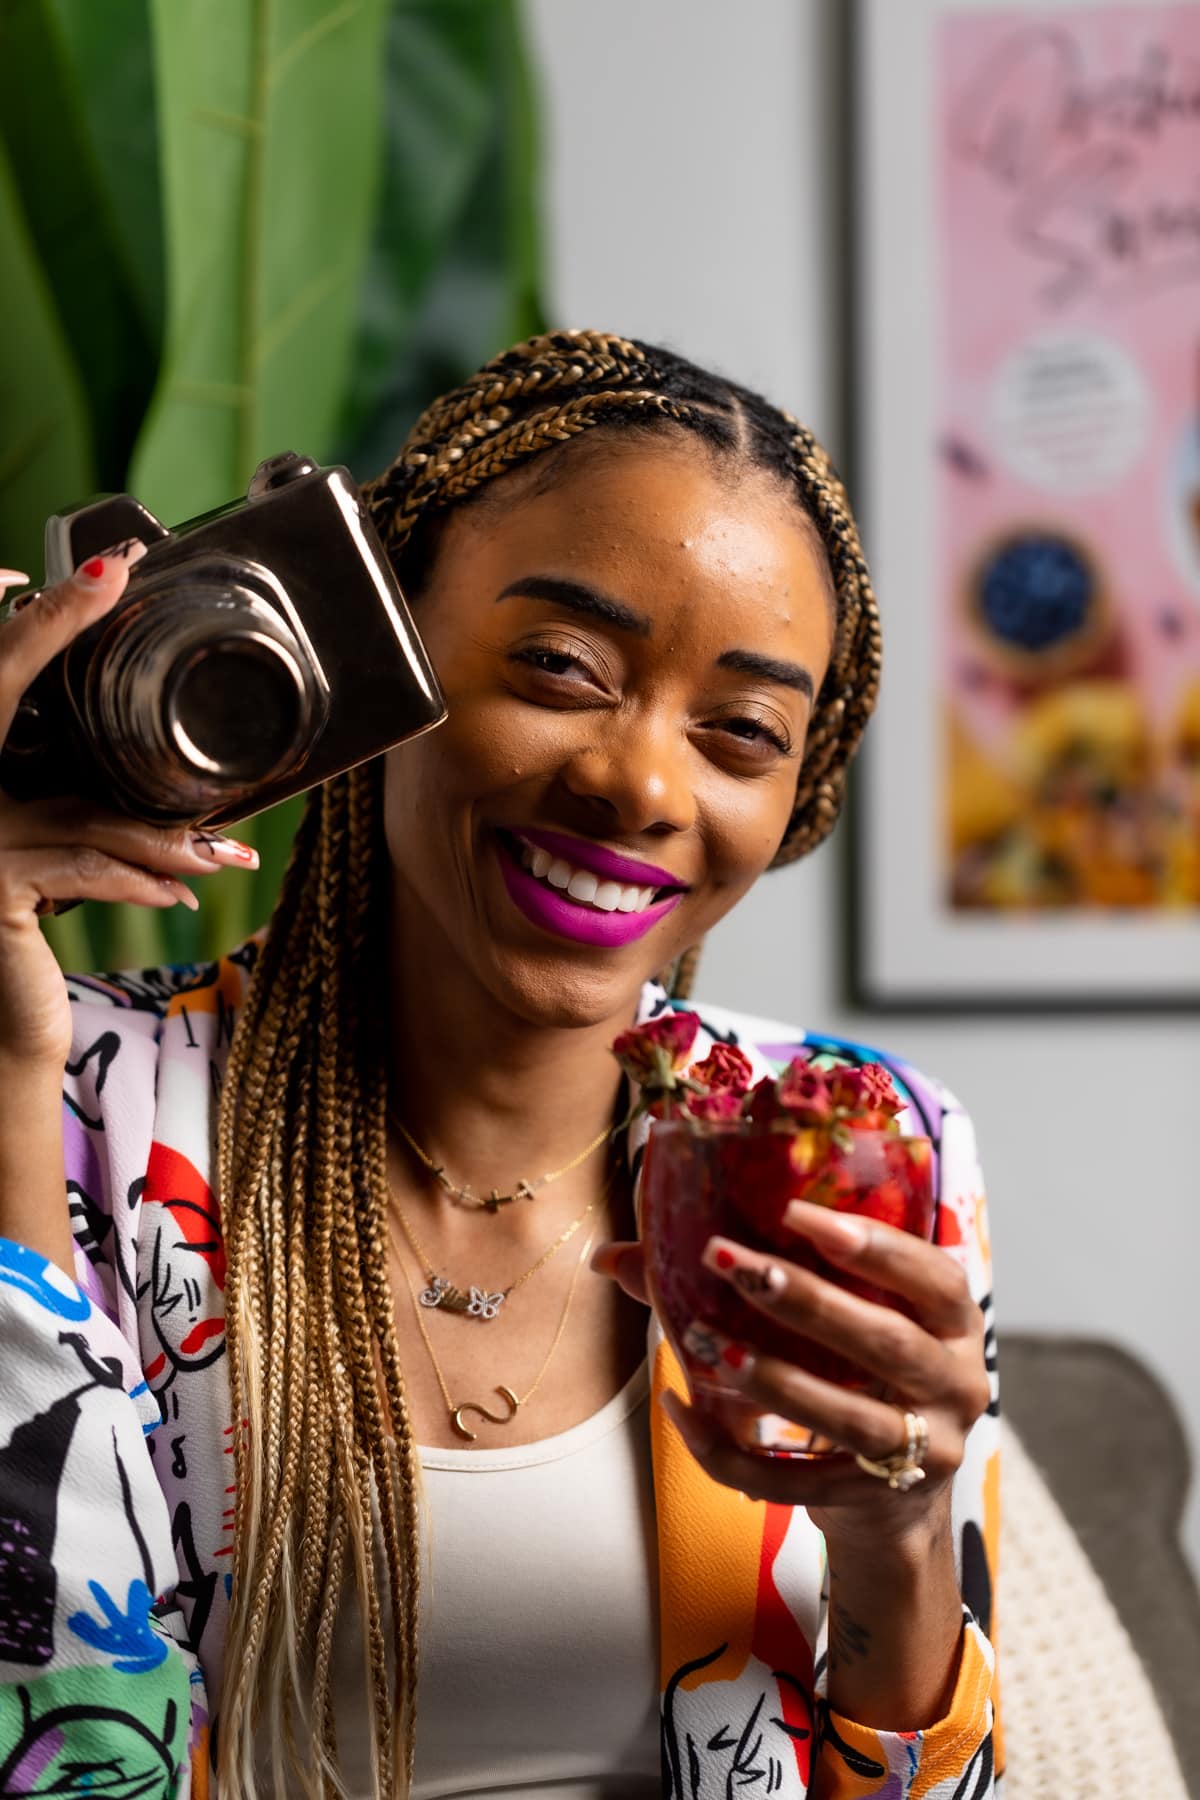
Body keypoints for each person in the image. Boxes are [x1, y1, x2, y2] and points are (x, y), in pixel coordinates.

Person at [0, 331, 998, 1799]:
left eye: (740, 732)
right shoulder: (79, 1094)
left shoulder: (853, 1145)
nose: (642, 785)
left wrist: (898, 1540)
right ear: (376, 652)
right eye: (560, 665)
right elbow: (52, 1736)